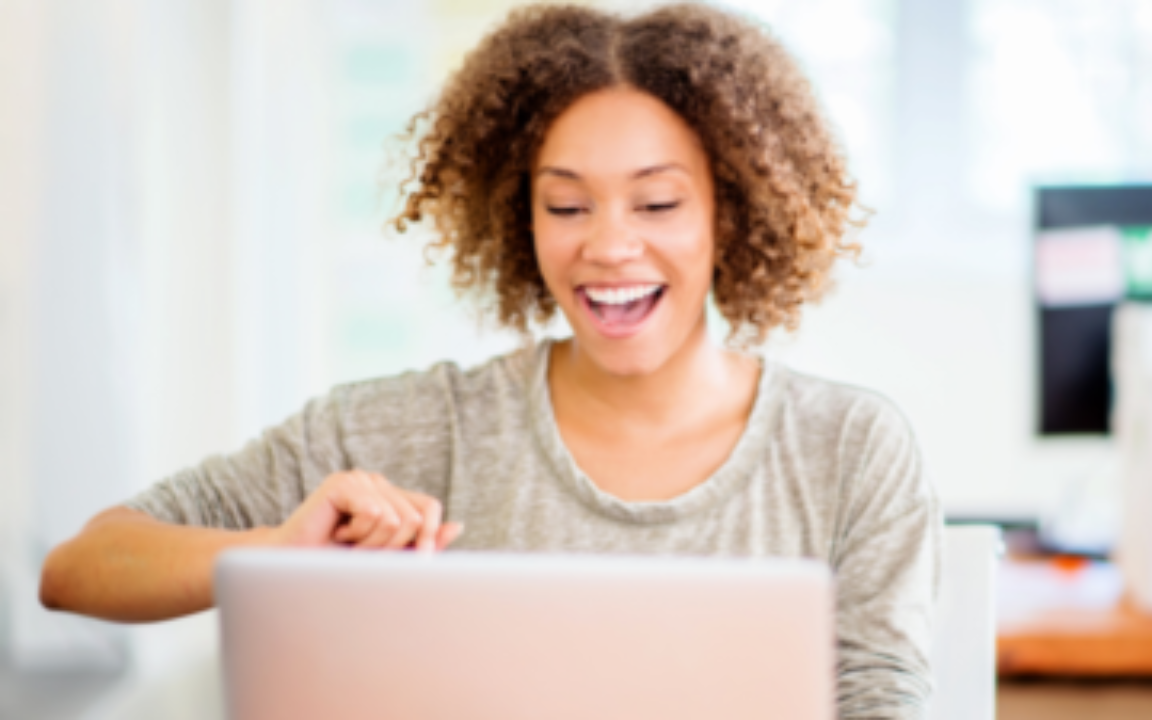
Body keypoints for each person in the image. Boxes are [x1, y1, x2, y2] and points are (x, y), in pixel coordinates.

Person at [40, 3, 940, 717]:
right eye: (567, 206)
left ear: (730, 215)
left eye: (658, 204)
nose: (610, 246)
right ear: (521, 221)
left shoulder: (848, 447)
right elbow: (78, 568)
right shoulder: (408, 429)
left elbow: (879, 704)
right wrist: (280, 550)